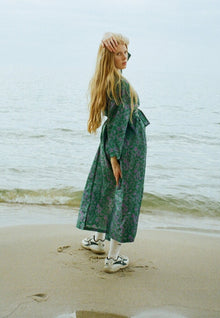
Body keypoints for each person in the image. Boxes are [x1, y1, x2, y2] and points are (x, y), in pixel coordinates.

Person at [76, 32, 150, 273]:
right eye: (118, 53)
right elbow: (119, 124)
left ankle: (98, 241)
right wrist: (115, 159)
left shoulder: (108, 78)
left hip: (113, 143)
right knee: (125, 196)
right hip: (126, 145)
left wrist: (110, 40)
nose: (125, 56)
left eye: (126, 51)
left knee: (107, 189)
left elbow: (115, 123)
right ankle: (113, 259)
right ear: (110, 58)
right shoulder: (120, 84)